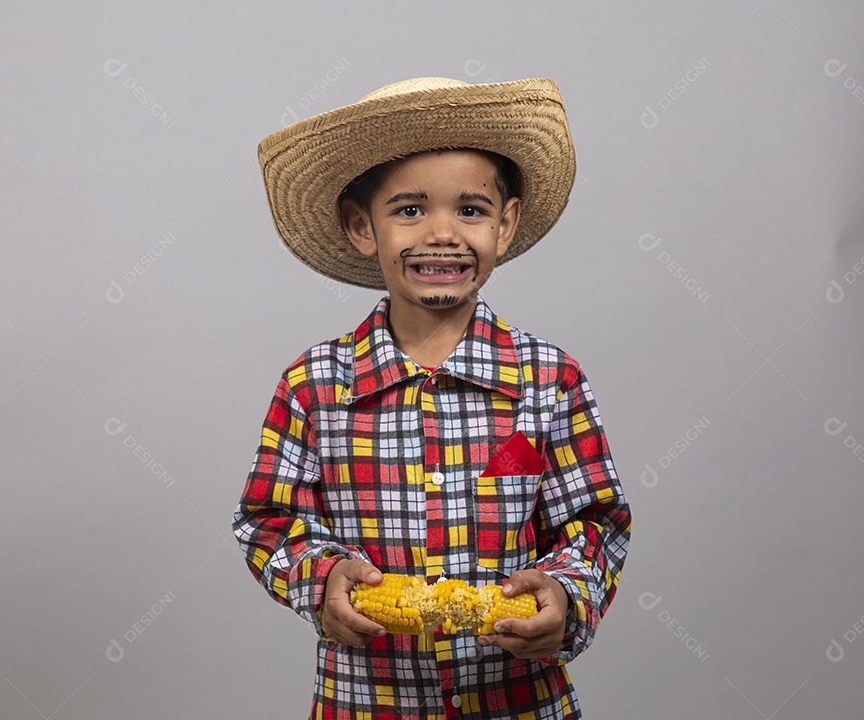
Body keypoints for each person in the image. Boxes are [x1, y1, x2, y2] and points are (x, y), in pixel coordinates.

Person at [233, 76, 631, 719]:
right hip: (366, 703)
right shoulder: (313, 385)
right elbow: (268, 522)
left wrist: (565, 592)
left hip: (518, 703)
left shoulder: (551, 381)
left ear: (505, 226)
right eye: (410, 210)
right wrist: (323, 577)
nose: (442, 234)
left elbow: (594, 522)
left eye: (470, 210)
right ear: (363, 227)